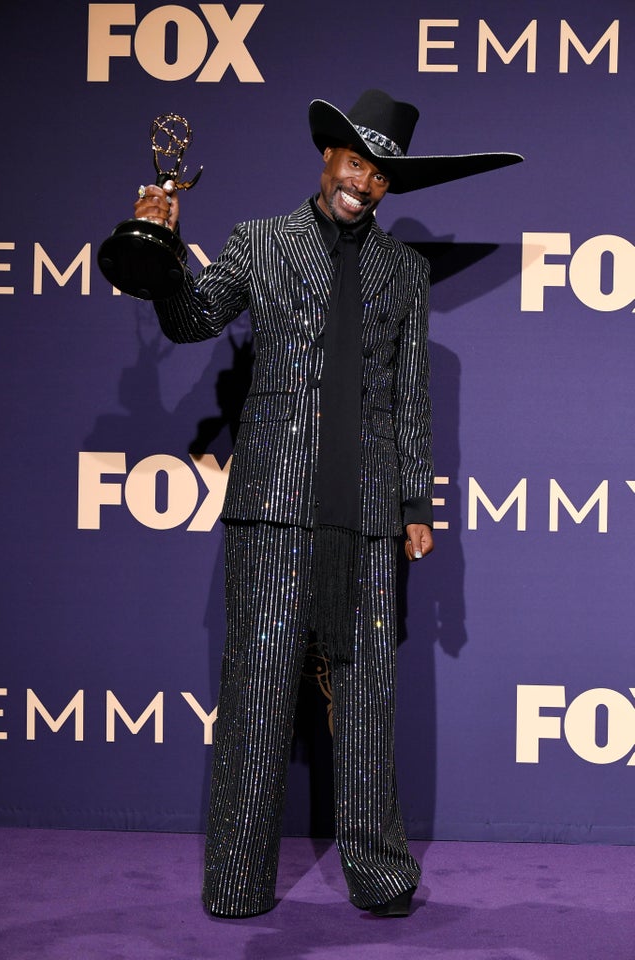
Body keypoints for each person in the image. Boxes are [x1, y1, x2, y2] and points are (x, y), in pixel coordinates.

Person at [134, 89, 521, 919]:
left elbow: (407, 398)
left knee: (368, 698)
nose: (362, 182)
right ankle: (237, 881)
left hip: (371, 513)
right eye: (354, 162)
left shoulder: (403, 273)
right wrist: (161, 252)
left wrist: (415, 501)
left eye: (379, 174)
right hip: (272, 508)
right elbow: (197, 319)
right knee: (257, 695)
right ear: (327, 158)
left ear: (389, 186)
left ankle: (379, 875)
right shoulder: (260, 243)